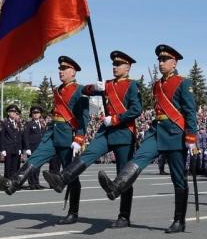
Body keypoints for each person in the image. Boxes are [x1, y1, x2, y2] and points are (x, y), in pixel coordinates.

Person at [96, 45, 197, 233]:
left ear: (174, 63)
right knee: (138, 158)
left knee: (178, 179)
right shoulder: (157, 84)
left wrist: (191, 136)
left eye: (164, 60)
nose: (160, 63)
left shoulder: (184, 83)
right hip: (157, 131)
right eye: (159, 60)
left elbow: (190, 111)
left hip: (175, 133)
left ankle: (179, 220)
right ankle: (116, 186)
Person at [52, 50, 142, 228]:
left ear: (128, 67)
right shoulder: (107, 84)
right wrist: (94, 87)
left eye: (118, 64)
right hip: (106, 132)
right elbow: (85, 91)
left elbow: (136, 109)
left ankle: (124, 216)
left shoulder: (132, 85)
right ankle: (63, 178)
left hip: (123, 132)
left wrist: (116, 118)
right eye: (113, 65)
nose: (115, 67)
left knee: (123, 175)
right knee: (89, 153)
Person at [0, 56, 89, 224]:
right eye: (59, 68)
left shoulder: (80, 90)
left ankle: (73, 212)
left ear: (73, 72)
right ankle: (13, 184)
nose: (60, 71)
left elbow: (84, 117)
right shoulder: (57, 91)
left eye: (64, 69)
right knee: (35, 158)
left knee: (71, 175)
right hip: (52, 132)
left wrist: (79, 138)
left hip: (68, 136)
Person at [24, 106, 47, 189]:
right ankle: (32, 183)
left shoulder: (42, 124)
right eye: (34, 113)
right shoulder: (29, 124)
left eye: (37, 113)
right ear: (32, 114)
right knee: (31, 166)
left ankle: (36, 182)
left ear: (40, 114)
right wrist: (27, 148)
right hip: (32, 148)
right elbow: (26, 136)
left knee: (38, 166)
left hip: (40, 148)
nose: (36, 114)